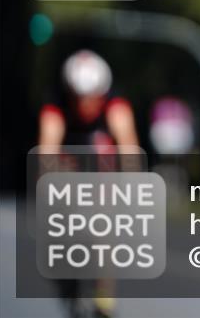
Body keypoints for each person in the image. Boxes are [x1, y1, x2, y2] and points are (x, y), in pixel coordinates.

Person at [37, 49, 139, 318]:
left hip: (102, 174)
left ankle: (103, 299)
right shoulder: (56, 107)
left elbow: (129, 148)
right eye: (79, 97)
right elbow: (46, 151)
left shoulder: (115, 106)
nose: (86, 104)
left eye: (92, 97)